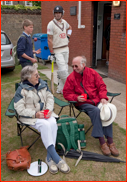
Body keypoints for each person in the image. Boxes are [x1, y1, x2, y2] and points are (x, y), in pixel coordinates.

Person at [14, 64, 70, 174]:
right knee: (45, 125)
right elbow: (20, 109)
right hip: (30, 117)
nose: (38, 76)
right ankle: (56, 158)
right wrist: (35, 114)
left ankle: (49, 158)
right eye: (36, 75)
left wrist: (49, 109)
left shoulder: (43, 84)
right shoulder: (21, 90)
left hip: (45, 114)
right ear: (28, 78)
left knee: (53, 122)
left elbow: (50, 97)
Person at [63, 56, 119, 157]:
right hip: (82, 103)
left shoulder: (92, 73)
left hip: (96, 100)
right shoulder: (71, 78)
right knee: (96, 111)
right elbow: (66, 93)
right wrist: (76, 97)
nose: (74, 68)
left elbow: (102, 86)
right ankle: (102, 142)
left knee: (107, 111)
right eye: (73, 66)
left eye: (76, 66)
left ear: (83, 65)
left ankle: (110, 142)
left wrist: (103, 97)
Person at [47, 5, 72, 94]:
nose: (58, 14)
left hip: (65, 48)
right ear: (54, 14)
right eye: (56, 13)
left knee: (65, 68)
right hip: (57, 50)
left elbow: (70, 28)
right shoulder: (51, 24)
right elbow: (49, 39)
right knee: (62, 70)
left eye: (59, 13)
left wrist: (68, 37)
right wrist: (52, 53)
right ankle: (69, 87)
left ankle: (60, 89)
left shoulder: (65, 22)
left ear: (62, 13)